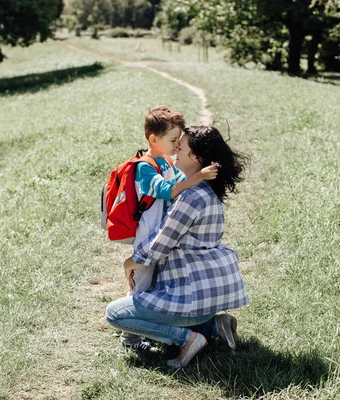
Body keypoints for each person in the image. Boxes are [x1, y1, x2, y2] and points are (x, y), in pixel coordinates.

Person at [106, 125, 249, 368]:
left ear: (197, 158)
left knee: (115, 314)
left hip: (189, 297)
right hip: (208, 298)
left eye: (180, 147)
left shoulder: (190, 197)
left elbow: (157, 247)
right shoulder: (208, 191)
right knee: (159, 308)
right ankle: (214, 325)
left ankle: (187, 338)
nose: (175, 151)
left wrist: (128, 263)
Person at [121, 107, 219, 351]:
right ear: (154, 139)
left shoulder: (165, 162)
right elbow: (168, 191)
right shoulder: (144, 167)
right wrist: (200, 177)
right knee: (141, 287)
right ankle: (130, 338)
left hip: (163, 234)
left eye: (179, 141)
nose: (177, 147)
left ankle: (153, 329)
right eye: (173, 141)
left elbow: (179, 182)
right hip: (147, 238)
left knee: (156, 285)